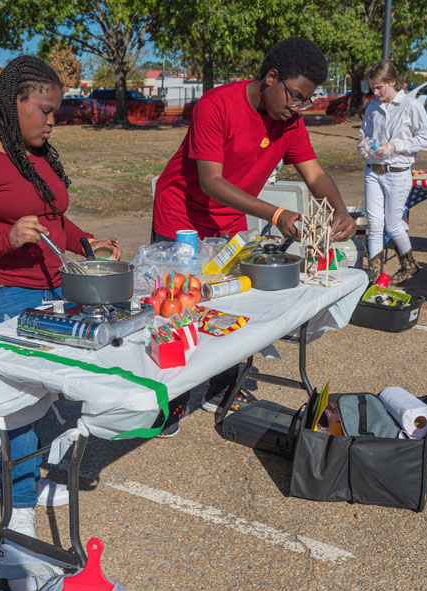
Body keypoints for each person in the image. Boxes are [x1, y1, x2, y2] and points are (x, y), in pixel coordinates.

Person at [0, 55, 121, 538]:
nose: (53, 121)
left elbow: (54, 216)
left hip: (55, 286)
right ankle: (19, 506)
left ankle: (34, 473)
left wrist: (86, 242)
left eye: (56, 111)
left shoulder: (34, 155)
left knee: (54, 385)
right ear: (13, 103)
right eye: (45, 110)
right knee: (17, 398)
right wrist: (7, 239)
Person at [151, 37, 357, 436]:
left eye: (304, 102)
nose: (296, 108)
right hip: (182, 217)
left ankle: (222, 385)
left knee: (228, 301)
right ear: (271, 78)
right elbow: (211, 182)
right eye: (294, 96)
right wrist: (277, 213)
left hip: (229, 220)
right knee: (176, 304)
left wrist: (341, 210)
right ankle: (171, 398)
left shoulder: (290, 122)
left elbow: (315, 175)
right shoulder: (217, 105)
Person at [357, 60, 427, 284]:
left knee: (392, 223)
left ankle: (409, 263)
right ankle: (374, 272)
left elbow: (426, 138)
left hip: (398, 171)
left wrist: (394, 146)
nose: (376, 92)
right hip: (373, 170)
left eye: (379, 87)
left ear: (393, 82)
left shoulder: (411, 105)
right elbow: (364, 135)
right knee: (374, 223)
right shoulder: (373, 107)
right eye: (372, 88)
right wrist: (362, 145)